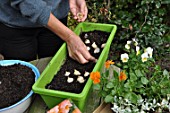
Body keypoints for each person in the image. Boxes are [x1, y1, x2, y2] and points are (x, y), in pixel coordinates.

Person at [0, 0, 96, 64]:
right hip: (15, 24)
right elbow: (28, 3)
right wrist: (69, 36)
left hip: (57, 16)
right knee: (21, 76)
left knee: (53, 64)